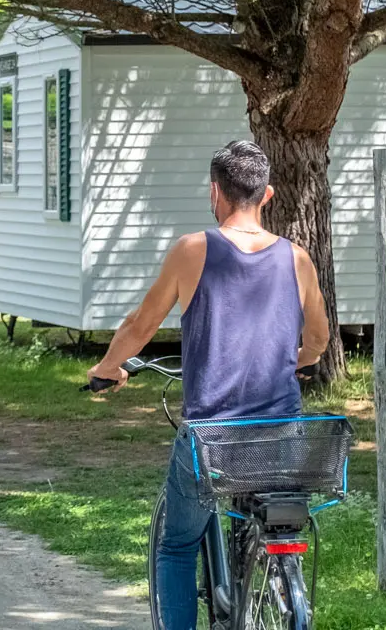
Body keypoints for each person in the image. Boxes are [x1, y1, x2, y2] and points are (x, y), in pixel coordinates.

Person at [84, 139, 329, 630]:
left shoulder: (193, 250)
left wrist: (107, 368)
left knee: (176, 545)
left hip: (212, 439)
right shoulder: (297, 259)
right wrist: (299, 360)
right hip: (282, 436)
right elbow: (319, 338)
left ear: (215, 191)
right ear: (268, 195)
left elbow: (139, 327)